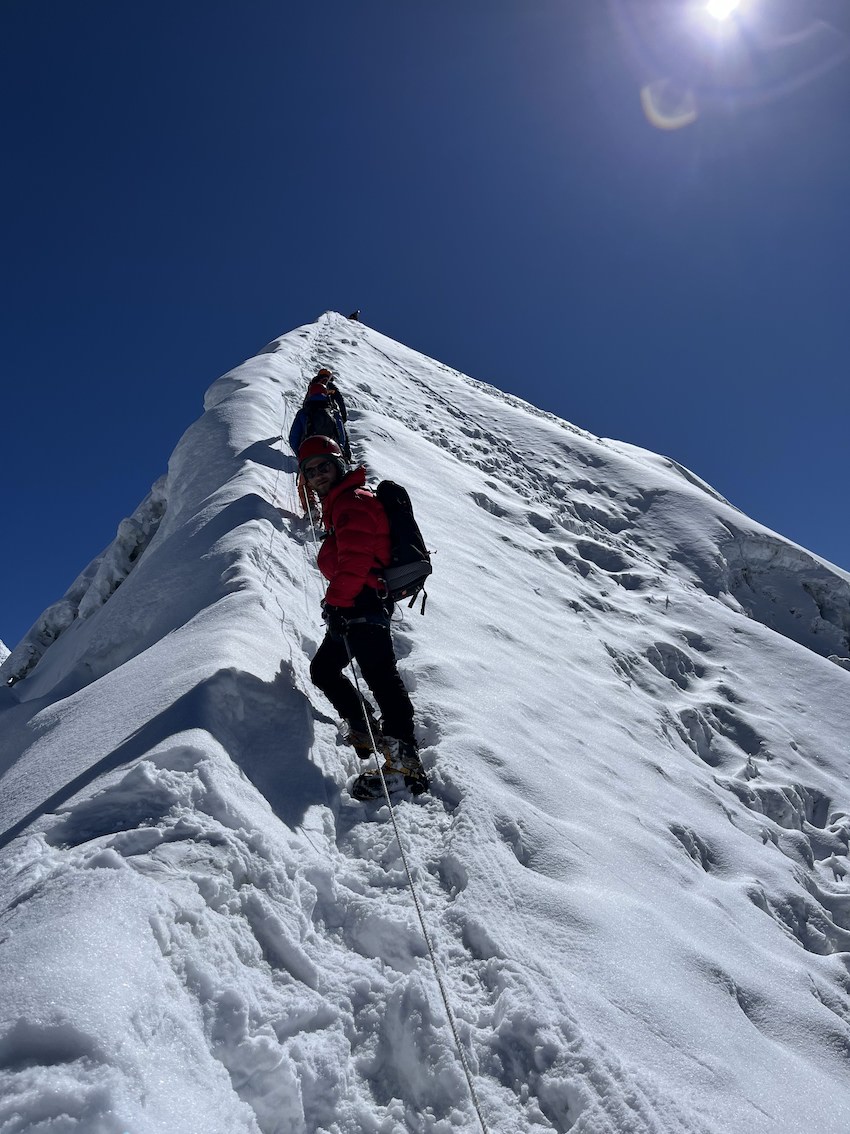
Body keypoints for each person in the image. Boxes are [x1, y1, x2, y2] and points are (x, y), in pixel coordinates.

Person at [299, 435, 423, 779]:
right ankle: (366, 729)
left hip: (361, 601)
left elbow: (355, 559)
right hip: (354, 602)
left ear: (339, 465)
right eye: (311, 471)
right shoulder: (341, 502)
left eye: (325, 465)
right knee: (324, 669)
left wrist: (337, 602)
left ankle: (405, 764)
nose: (319, 474)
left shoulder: (351, 501)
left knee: (380, 676)